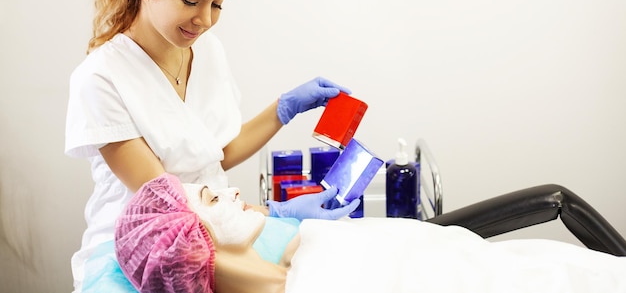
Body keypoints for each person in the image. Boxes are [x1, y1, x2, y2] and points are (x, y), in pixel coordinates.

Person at [64, 0, 358, 292]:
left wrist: (285, 108)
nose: (204, 19)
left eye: (218, 3)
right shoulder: (100, 79)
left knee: (338, 262)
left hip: (220, 231)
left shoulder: (208, 50)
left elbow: (216, 151)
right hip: (150, 254)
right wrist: (275, 212)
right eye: (191, 0)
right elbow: (171, 205)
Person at [110, 173, 626, 293]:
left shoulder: (296, 251)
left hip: (540, 268)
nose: (228, 191)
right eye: (209, 198)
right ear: (189, 242)